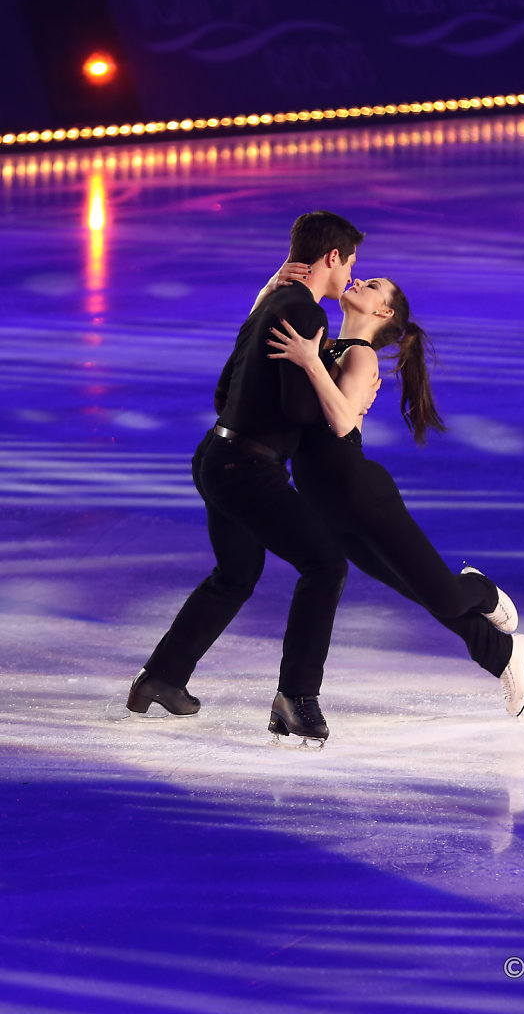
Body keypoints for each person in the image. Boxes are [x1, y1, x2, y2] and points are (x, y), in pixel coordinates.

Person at [126, 212, 367, 746]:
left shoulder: (271, 306)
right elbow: (300, 410)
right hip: (247, 469)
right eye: (350, 262)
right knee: (325, 564)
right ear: (332, 257)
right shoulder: (302, 312)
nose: (351, 274)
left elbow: (223, 388)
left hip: (217, 454)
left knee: (236, 573)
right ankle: (296, 697)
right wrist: (318, 369)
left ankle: (160, 679)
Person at [266, 272, 524, 717]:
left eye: (373, 284)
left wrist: (309, 361)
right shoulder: (328, 348)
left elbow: (341, 423)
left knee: (446, 597)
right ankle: (502, 654)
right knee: (415, 588)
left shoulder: (359, 356)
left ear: (383, 313)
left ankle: (480, 588)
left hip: (358, 492)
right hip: (329, 502)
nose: (358, 280)